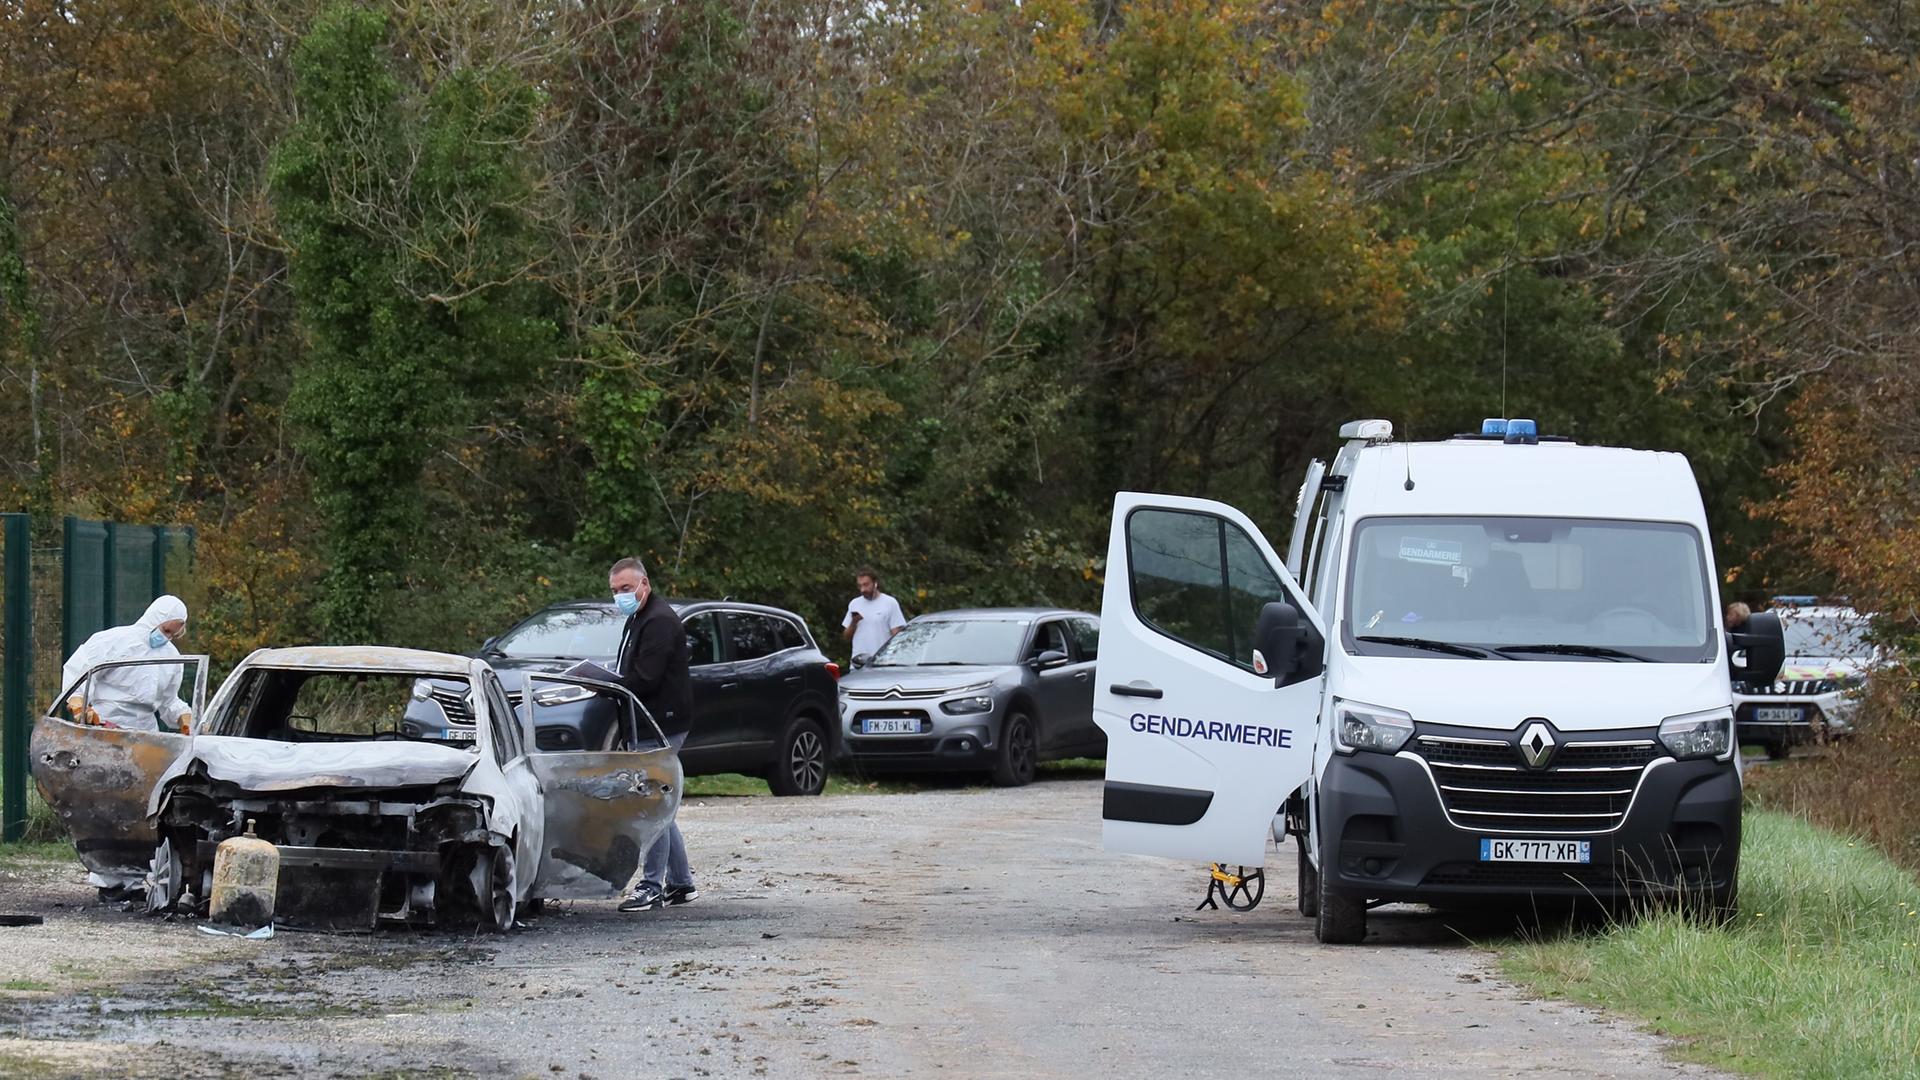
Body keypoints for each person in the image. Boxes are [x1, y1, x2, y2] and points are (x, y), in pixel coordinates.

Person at [607, 557, 697, 913]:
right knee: (661, 807)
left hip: (661, 723)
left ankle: (651, 886)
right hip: (649, 721)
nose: (620, 596)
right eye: (615, 591)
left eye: (626, 589)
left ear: (644, 584)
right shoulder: (639, 617)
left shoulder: (658, 620)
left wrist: (609, 685)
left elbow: (646, 678)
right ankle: (680, 883)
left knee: (652, 804)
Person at [60, 595, 193, 733]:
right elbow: (81, 669)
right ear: (155, 619)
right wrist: (78, 701)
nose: (167, 638)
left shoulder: (171, 657)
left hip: (147, 735)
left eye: (173, 634)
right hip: (104, 727)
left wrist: (184, 716)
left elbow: (168, 700)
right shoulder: (114, 640)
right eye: (166, 630)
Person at [842, 567, 907, 661]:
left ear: (875, 583)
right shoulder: (854, 604)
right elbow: (846, 637)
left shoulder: (889, 602)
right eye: (860, 586)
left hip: (881, 663)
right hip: (858, 664)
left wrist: (893, 659)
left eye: (866, 585)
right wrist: (853, 622)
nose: (862, 589)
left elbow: (897, 636)